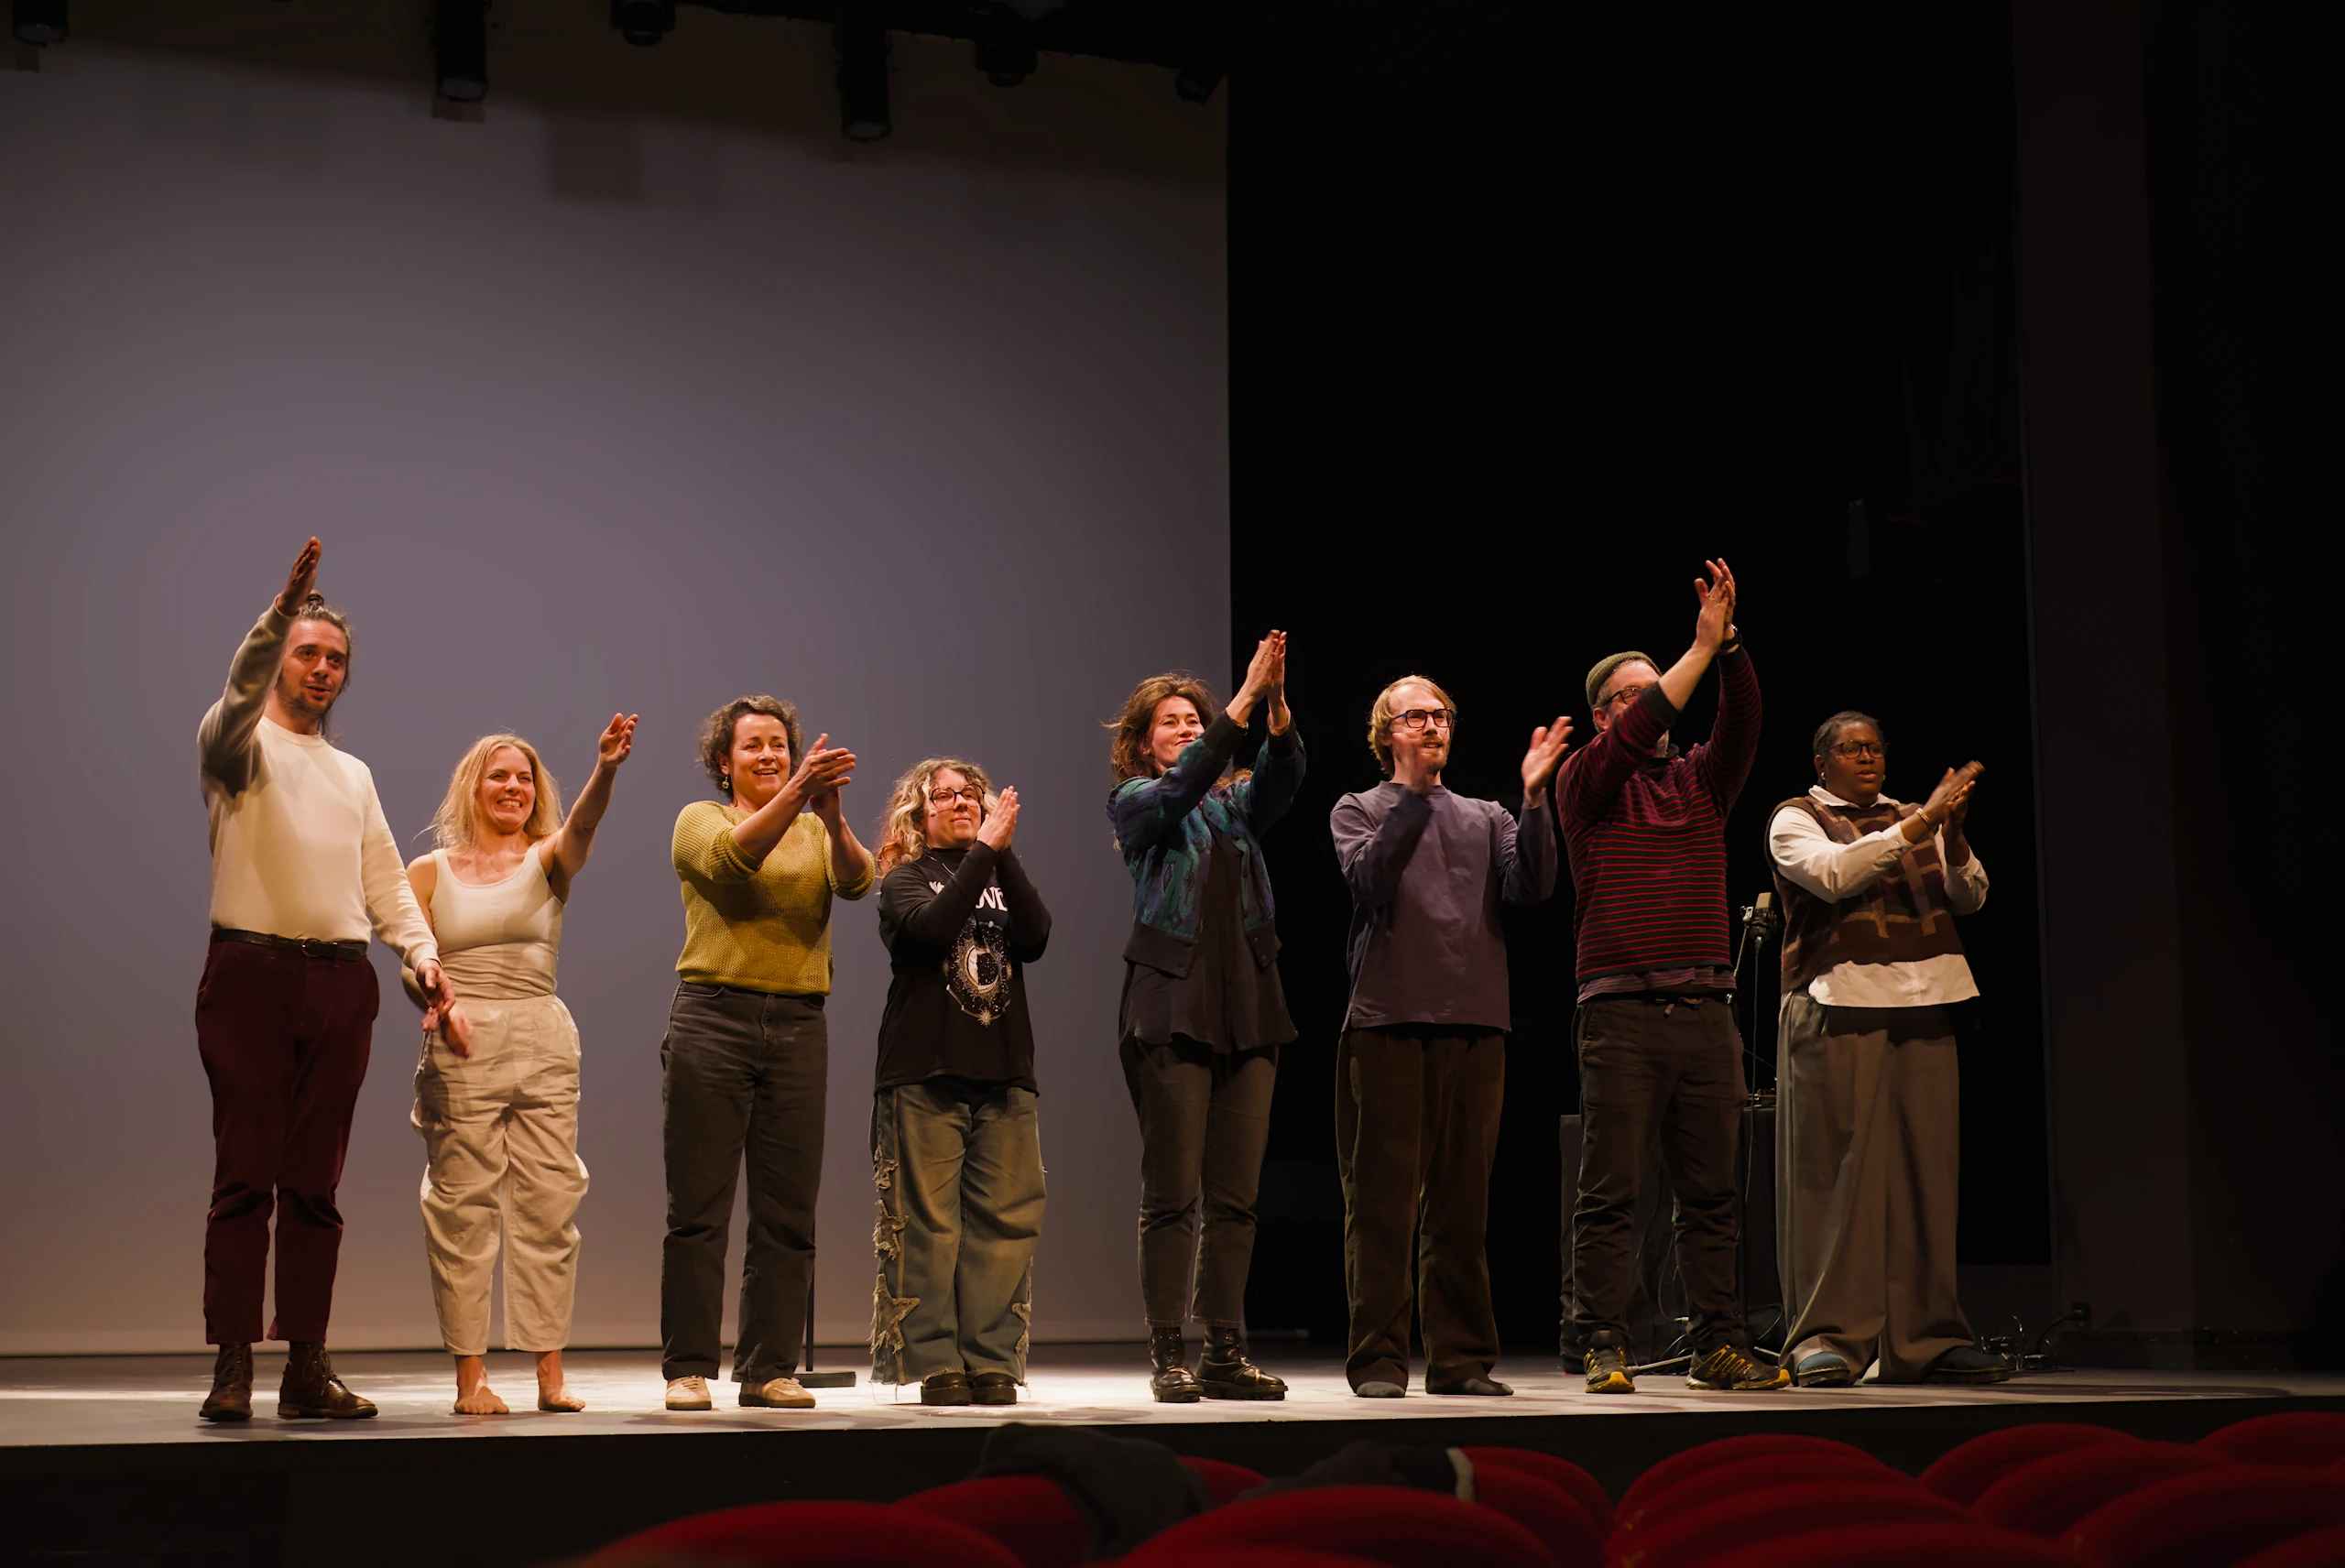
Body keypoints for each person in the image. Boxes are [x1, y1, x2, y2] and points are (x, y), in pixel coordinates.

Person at [193, 538, 461, 1421]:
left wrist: (421, 954)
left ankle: (306, 1365)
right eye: (306, 652)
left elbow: (384, 881)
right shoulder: (236, 745)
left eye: (335, 659)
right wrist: (280, 613)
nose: (321, 669)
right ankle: (234, 1364)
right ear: (277, 658)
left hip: (341, 981)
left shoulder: (353, 774)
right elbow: (238, 690)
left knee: (315, 1183)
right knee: (245, 1175)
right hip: (252, 972)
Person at [1562, 560, 1788, 1394]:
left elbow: (1744, 722)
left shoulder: (1700, 780)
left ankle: (1718, 1345)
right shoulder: (1583, 781)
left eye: (1654, 689)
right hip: (1621, 1013)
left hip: (1705, 1010)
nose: (1652, 704)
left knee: (1712, 1195)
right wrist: (1693, 653)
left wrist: (1727, 648)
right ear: (1603, 715)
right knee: (1611, 1192)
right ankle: (1602, 1341)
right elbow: (1639, 730)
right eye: (1631, 695)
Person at [1327, 676, 1567, 1399]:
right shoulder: (1359, 808)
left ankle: (1460, 1359)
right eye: (1417, 716)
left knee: (1462, 1205)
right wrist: (1411, 793)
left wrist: (1534, 801)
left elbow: (1533, 887)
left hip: (1477, 1022)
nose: (1434, 725)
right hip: (1389, 1021)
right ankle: (1378, 1361)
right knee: (1383, 1205)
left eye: (1442, 715)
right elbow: (1371, 880)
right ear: (1387, 733)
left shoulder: (1487, 815)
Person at [403, 715, 636, 1415]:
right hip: (462, 1040)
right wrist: (435, 994)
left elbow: (584, 824)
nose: (513, 787)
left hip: (542, 1038)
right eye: (498, 776)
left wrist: (606, 769)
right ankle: (470, 1378)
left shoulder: (548, 858)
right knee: (460, 1208)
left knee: (549, 1203)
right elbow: (415, 960)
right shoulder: (428, 871)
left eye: (524, 778)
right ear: (472, 788)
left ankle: (549, 1372)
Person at [1768, 713, 2008, 1386]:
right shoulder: (1796, 817)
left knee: (1925, 1174)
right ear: (1822, 762)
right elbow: (1835, 875)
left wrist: (1951, 832)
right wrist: (1925, 821)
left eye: (1874, 747)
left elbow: (1970, 896)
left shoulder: (1913, 816)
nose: (1867, 757)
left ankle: (1927, 1338)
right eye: (1851, 748)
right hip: (1839, 1001)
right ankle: (1826, 1337)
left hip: (1926, 999)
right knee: (1835, 1175)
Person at [1106, 633, 1303, 1402]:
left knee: (1236, 1196)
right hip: (1172, 1003)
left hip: (1249, 1001)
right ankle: (1168, 1352)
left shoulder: (1234, 806)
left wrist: (1275, 707)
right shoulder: (1137, 802)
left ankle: (1224, 1348)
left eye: (1197, 720)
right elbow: (1181, 787)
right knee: (1172, 1192)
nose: (1189, 730)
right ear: (1143, 743)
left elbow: (1282, 782)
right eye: (1174, 723)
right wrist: (1241, 699)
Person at [660, 695, 872, 1412]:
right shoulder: (702, 819)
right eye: (752, 745)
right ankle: (688, 1368)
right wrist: (797, 792)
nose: (769, 755)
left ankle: (768, 1367)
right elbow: (732, 863)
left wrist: (833, 818)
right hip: (713, 1019)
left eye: (779, 744)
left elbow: (857, 882)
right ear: (725, 762)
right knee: (698, 1208)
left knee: (788, 1211)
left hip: (798, 1023)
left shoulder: (811, 827)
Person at [867, 759, 1052, 1407]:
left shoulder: (999, 870)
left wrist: (1002, 854)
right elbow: (932, 929)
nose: (960, 802)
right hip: (923, 1068)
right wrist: (985, 853)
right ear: (919, 815)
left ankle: (992, 1359)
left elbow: (1037, 935)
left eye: (970, 793)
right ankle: (933, 1360)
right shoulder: (904, 878)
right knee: (927, 1224)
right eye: (942, 795)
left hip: (1004, 1068)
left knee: (1006, 1220)